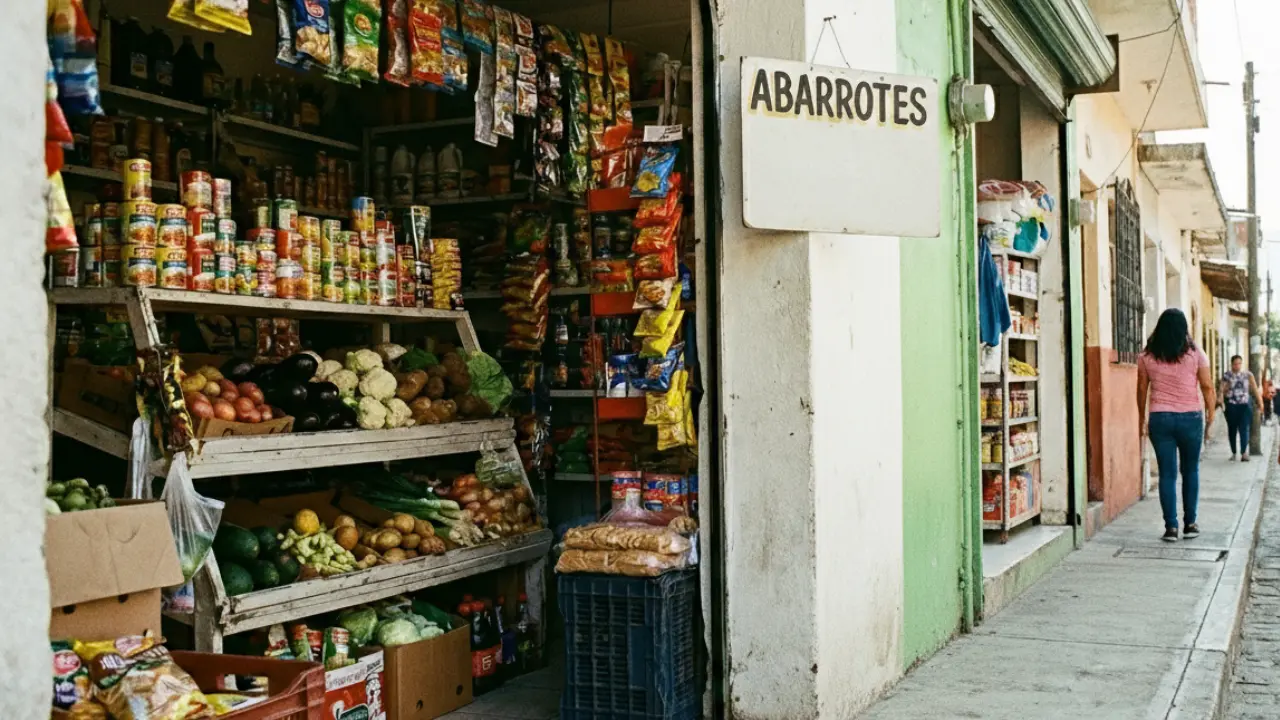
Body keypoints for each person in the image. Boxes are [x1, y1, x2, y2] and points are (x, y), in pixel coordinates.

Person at [1137, 309, 1216, 542]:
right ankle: (1190, 524)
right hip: (1190, 418)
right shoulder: (1196, 354)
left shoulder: (1146, 357)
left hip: (1160, 419)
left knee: (1167, 474)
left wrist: (1140, 417)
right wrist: (1211, 413)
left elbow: (1141, 389)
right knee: (1190, 471)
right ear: (1184, 329)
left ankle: (1171, 528)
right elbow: (1207, 386)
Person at [1220, 355, 1263, 461]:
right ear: (1231, 364)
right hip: (1231, 406)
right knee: (1232, 430)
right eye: (1235, 364)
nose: (1237, 366)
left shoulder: (1248, 375)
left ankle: (1244, 453)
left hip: (1245, 406)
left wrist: (1260, 402)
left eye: (1239, 363)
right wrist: (1221, 397)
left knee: (1244, 429)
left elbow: (1255, 389)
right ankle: (1234, 453)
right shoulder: (1227, 375)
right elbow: (1221, 390)